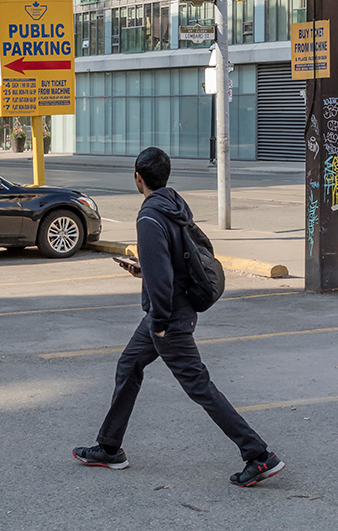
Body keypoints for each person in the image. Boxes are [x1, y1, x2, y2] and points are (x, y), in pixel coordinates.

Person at [73, 147, 284, 488]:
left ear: (138, 178)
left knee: (199, 385)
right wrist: (146, 271)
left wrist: (159, 325)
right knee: (129, 365)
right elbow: (175, 261)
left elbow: (162, 281)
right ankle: (109, 447)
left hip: (167, 317)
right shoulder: (173, 205)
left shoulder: (149, 217)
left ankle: (258, 455)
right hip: (173, 307)